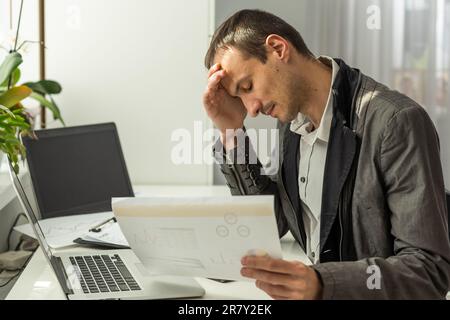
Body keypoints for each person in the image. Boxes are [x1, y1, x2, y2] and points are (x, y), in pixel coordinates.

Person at [202, 9, 450, 299]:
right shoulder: (289, 124)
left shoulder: (396, 122)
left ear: (278, 48)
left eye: (247, 87)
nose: (251, 108)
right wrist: (232, 131)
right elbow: (272, 223)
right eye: (239, 97)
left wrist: (321, 282)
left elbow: (428, 269)